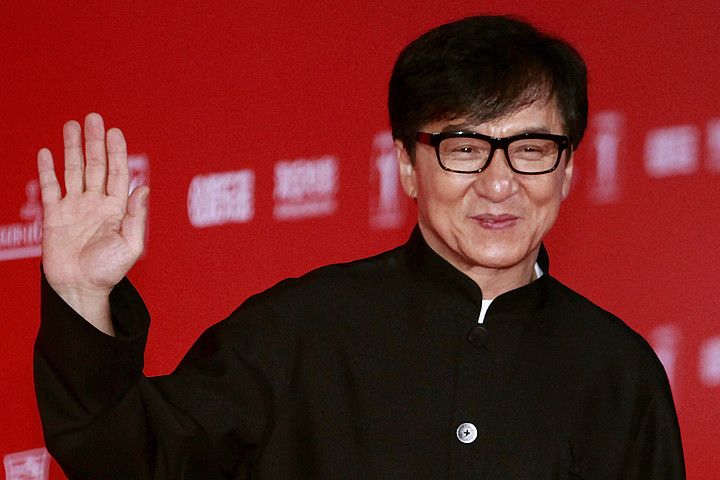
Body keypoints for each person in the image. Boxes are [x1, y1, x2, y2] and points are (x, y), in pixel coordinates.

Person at [34, 15, 685, 479]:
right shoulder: (296, 330)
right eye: (463, 148)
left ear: (567, 170)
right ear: (406, 166)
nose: (498, 184)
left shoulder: (621, 375)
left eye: (532, 149)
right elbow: (133, 456)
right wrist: (82, 296)